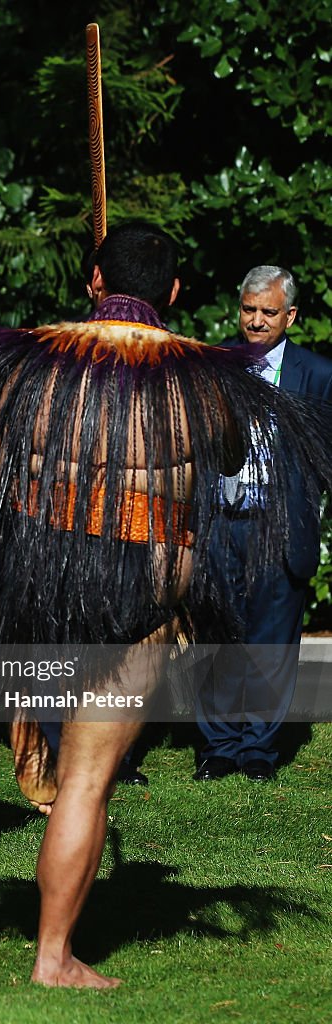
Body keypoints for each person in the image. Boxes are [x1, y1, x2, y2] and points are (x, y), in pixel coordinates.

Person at [0, 222, 332, 986]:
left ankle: (50, 914)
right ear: (171, 292)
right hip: (139, 590)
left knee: (69, 774)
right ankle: (52, 957)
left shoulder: (32, 364)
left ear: (94, 283)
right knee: (89, 780)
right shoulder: (198, 376)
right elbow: (226, 455)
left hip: (46, 582)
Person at [194, 266, 332, 782]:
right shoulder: (214, 365)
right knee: (217, 633)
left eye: (268, 312)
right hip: (220, 519)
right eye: (248, 309)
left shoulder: (317, 375)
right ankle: (219, 745)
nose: (255, 321)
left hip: (280, 521)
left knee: (273, 638)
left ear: (290, 316)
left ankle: (258, 749)